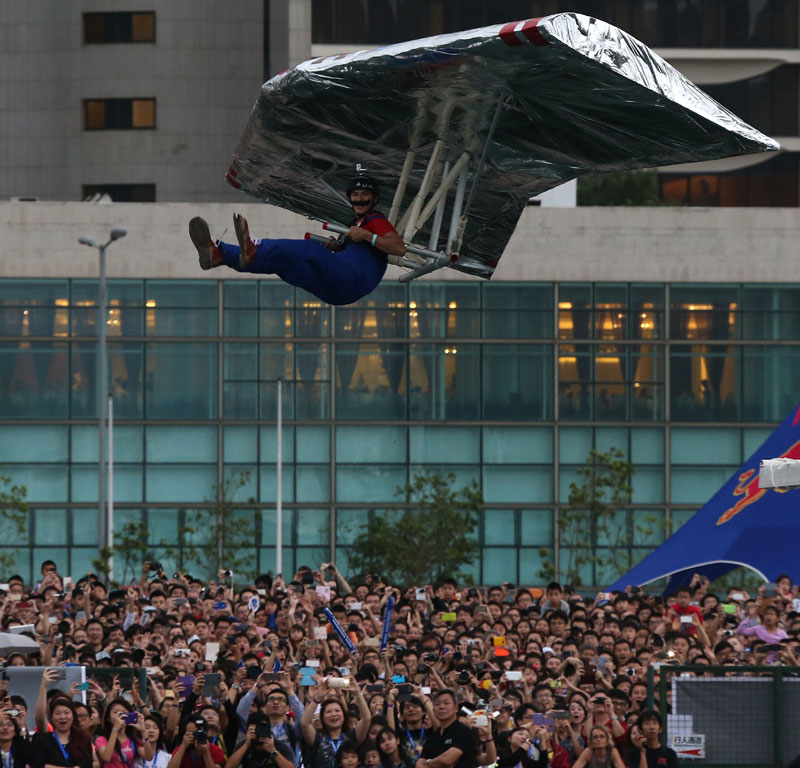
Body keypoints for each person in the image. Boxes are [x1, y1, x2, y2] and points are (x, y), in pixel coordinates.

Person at [188, 174, 406, 306]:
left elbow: (399, 248)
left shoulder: (375, 220)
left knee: (309, 249)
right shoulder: (354, 226)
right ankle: (221, 255)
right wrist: (336, 248)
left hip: (351, 281)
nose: (359, 199)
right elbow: (358, 255)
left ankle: (255, 247)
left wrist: (367, 235)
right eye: (355, 194)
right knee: (284, 264)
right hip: (336, 290)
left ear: (375, 199)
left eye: (364, 194)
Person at [416, 690, 476, 768]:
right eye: (437, 704)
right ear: (433, 711)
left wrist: (428, 763)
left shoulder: (464, 731)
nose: (441, 706)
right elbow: (419, 764)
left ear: (456, 708)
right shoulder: (432, 738)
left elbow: (446, 760)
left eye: (446, 703)